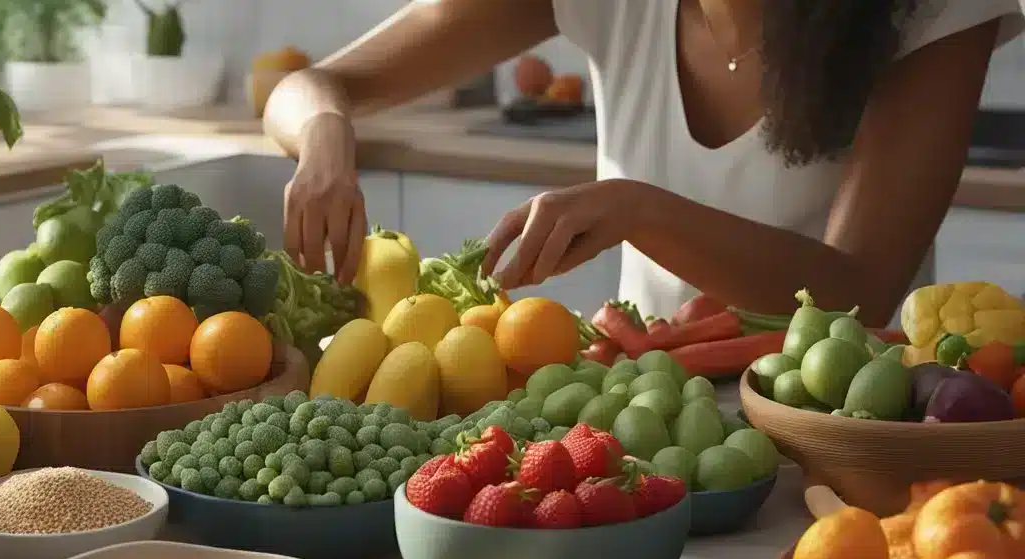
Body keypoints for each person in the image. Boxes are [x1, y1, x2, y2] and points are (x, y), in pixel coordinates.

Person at [263, 0, 1024, 325]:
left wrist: (637, 209)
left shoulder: (926, 8)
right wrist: (328, 138)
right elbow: (304, 87)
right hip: (643, 437)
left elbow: (857, 292)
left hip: (835, 447)